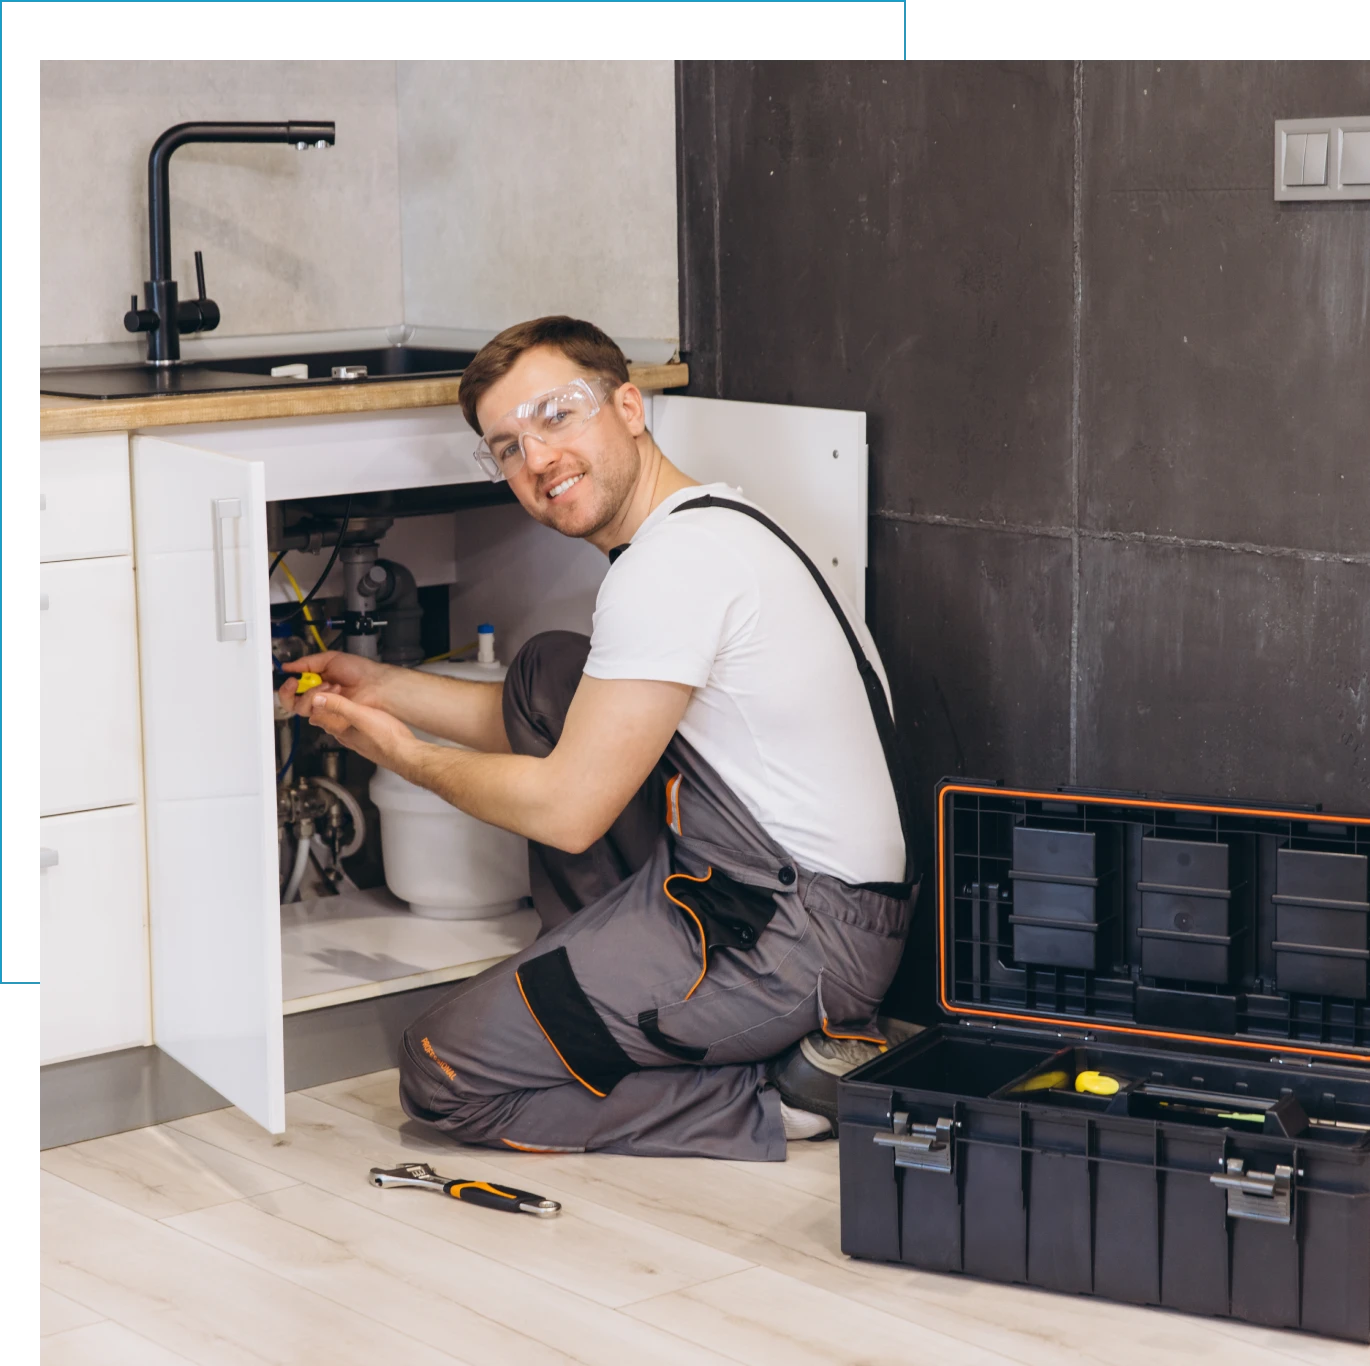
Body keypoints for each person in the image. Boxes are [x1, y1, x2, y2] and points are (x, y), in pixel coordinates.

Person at [279, 316, 918, 1160]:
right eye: (506, 447)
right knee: (547, 676)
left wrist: (397, 754)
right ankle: (610, 995)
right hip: (786, 899)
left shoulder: (671, 568)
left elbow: (570, 811)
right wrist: (385, 688)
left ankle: (782, 1095)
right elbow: (579, 730)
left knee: (442, 1072)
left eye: (555, 416)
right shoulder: (709, 524)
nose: (536, 459)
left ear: (628, 406)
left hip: (794, 937)